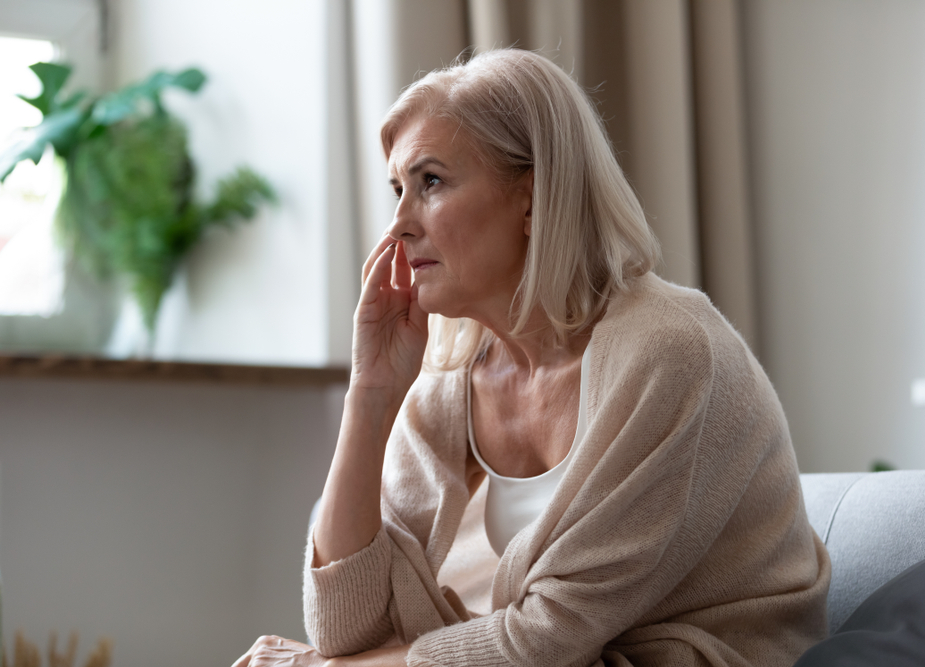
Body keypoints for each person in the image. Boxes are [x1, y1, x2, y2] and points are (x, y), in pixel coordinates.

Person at [233, 48, 830, 667]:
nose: (398, 226)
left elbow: (547, 638)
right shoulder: (451, 375)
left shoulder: (670, 349)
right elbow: (346, 629)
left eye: (430, 182)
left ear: (532, 198)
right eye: (397, 190)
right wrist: (371, 393)